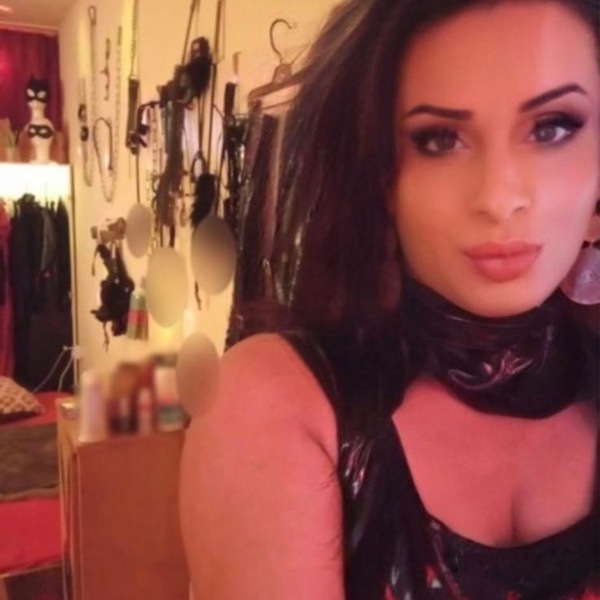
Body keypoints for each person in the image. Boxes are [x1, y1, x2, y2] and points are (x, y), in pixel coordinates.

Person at [180, 0, 600, 598]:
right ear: (378, 173)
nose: (499, 196)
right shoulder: (276, 401)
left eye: (552, 127)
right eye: (440, 139)